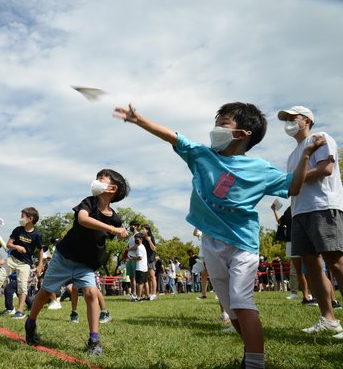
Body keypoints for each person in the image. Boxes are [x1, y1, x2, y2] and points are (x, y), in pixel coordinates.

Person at [114, 101, 325, 368]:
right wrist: (139, 120)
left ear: (243, 134)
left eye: (223, 124)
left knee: (241, 301)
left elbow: (292, 187)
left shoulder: (260, 169)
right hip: (212, 243)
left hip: (242, 245)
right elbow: (173, 136)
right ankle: (251, 351)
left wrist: (305, 157)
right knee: (230, 307)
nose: (216, 129)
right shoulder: (203, 156)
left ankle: (256, 363)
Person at [24, 169, 129, 356]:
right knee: (46, 292)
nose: (95, 182)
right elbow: (83, 220)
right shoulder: (88, 203)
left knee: (90, 294)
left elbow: (106, 237)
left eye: (100, 179)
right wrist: (113, 229)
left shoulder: (115, 218)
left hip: (86, 265)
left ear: (112, 188)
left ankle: (94, 340)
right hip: (64, 258)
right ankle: (30, 323)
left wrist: (121, 234)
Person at [278, 105, 343, 338]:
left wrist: (292, 179)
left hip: (323, 205)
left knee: (334, 261)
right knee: (311, 265)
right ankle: (328, 318)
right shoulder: (292, 154)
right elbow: (293, 186)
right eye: (286, 119)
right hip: (299, 211)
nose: (288, 122)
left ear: (306, 120)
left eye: (292, 118)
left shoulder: (321, 138)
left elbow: (325, 169)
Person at [0, 207, 44, 319]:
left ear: (30, 219)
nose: (20, 219)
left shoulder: (37, 235)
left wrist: (40, 264)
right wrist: (17, 247)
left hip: (25, 264)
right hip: (12, 259)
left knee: (22, 287)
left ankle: (20, 311)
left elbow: (40, 250)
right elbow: (8, 244)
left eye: (22, 216)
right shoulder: (18, 230)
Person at [141, 224, 157, 300]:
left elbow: (154, 249)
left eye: (143, 229)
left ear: (147, 230)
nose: (142, 230)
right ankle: (149, 293)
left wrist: (149, 240)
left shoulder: (151, 237)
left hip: (150, 259)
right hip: (144, 260)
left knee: (152, 276)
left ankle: (154, 294)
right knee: (147, 278)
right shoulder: (142, 238)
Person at [130, 232, 149, 301]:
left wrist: (133, 258)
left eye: (137, 238)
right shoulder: (142, 246)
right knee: (145, 281)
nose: (136, 240)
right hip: (144, 267)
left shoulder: (139, 247)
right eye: (135, 238)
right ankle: (147, 296)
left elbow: (140, 257)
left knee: (140, 282)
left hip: (140, 267)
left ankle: (138, 297)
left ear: (141, 239)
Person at [125, 221, 140, 300]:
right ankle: (133, 294)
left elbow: (137, 246)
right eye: (130, 225)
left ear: (136, 226)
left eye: (132, 225)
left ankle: (137, 294)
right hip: (129, 258)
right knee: (131, 277)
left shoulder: (138, 235)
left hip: (135, 258)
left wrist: (128, 249)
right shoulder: (131, 237)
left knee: (136, 277)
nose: (131, 227)